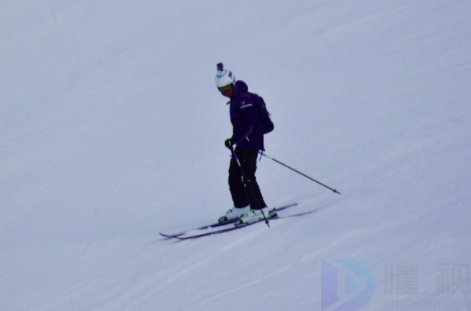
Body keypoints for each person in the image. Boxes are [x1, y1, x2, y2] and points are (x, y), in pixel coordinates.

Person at [215, 63, 269, 224]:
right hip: (242, 143)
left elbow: (249, 123)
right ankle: (242, 205)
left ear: (233, 82)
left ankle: (260, 209)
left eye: (228, 88)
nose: (226, 92)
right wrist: (236, 140)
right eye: (222, 90)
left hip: (252, 142)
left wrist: (234, 139)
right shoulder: (235, 99)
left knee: (248, 175)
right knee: (233, 174)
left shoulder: (244, 98)